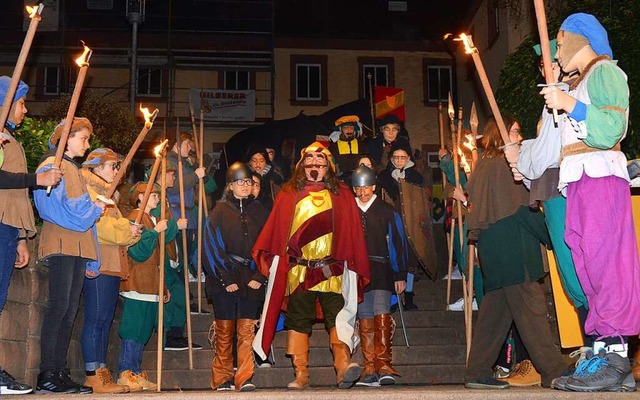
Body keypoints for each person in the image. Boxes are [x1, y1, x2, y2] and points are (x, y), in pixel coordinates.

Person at [539, 13, 640, 392]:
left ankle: (615, 355)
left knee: (606, 264)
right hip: (579, 180)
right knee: (587, 268)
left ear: (582, 39)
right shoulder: (578, 83)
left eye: (561, 40)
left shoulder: (606, 73)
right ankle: (603, 352)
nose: (557, 49)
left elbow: (612, 128)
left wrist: (570, 104)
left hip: (601, 174)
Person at [251, 141, 370, 390]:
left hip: (332, 270)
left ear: (329, 167)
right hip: (299, 271)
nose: (314, 167)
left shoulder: (343, 194)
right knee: (298, 320)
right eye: (310, 162)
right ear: (301, 166)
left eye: (320, 163)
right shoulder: (287, 194)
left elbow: (352, 235)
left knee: (338, 317)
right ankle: (301, 374)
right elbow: (276, 231)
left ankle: (343, 367)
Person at [461, 118, 566, 390]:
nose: (519, 137)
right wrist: (551, 234)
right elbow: (523, 210)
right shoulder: (508, 165)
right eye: (515, 131)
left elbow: (477, 214)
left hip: (493, 251)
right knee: (533, 312)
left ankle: (476, 370)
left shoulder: (482, 165)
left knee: (494, 316)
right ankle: (555, 371)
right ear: (501, 133)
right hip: (516, 250)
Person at [33, 117, 106, 394]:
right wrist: (92, 211)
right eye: (83, 138)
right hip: (62, 244)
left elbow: (82, 216)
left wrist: (92, 256)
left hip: (77, 247)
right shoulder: (51, 166)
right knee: (59, 307)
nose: (87, 145)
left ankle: (59, 370)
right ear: (67, 137)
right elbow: (51, 209)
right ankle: (47, 372)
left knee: (69, 311)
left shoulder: (72, 169)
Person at [0, 77, 61, 395]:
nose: (25, 109)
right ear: (5, 103)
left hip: (8, 227)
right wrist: (38, 178)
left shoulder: (9, 138)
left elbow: (15, 194)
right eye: (21, 102)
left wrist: (22, 236)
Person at [80, 148, 142, 393]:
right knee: (96, 319)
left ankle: (102, 372)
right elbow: (102, 227)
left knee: (105, 320)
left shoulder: (107, 196)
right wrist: (128, 227)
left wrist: (130, 232)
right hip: (98, 262)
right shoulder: (91, 192)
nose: (116, 171)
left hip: (112, 263)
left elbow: (118, 231)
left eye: (117, 166)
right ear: (96, 168)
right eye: (112, 166)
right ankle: (93, 374)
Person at [203, 162, 269, 392]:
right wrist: (226, 278)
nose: (245, 186)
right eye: (240, 182)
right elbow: (211, 246)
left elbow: (269, 245)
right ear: (230, 186)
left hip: (252, 275)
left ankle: (244, 375)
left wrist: (261, 275)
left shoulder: (260, 212)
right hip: (226, 277)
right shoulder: (218, 212)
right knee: (225, 330)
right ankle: (221, 376)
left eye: (248, 182)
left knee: (246, 331)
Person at [351, 166, 407, 387]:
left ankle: (384, 365)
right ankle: (369, 367)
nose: (363, 192)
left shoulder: (386, 210)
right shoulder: (349, 211)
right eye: (359, 188)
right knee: (364, 315)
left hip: (382, 268)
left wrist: (400, 272)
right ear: (354, 189)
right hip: (358, 271)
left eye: (366, 187)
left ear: (374, 187)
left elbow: (397, 242)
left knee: (381, 311)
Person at [115, 182, 169, 392]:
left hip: (150, 284)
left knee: (144, 329)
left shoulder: (151, 218)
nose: (157, 199)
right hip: (137, 282)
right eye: (153, 195)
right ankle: (126, 372)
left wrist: (162, 285)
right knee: (133, 328)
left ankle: (135, 371)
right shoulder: (135, 218)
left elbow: (158, 258)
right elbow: (137, 251)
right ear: (140, 198)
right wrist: (154, 232)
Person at [148, 161, 203, 352]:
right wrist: (175, 226)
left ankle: (175, 334)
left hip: (172, 256)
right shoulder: (152, 196)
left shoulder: (162, 197)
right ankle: (169, 335)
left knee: (179, 293)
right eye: (171, 174)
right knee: (173, 294)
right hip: (161, 257)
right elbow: (158, 227)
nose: (174, 177)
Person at [328, 115, 365, 182]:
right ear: (341, 129)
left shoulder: (360, 144)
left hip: (358, 178)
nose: (349, 130)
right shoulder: (334, 145)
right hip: (340, 180)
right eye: (346, 128)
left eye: (351, 127)